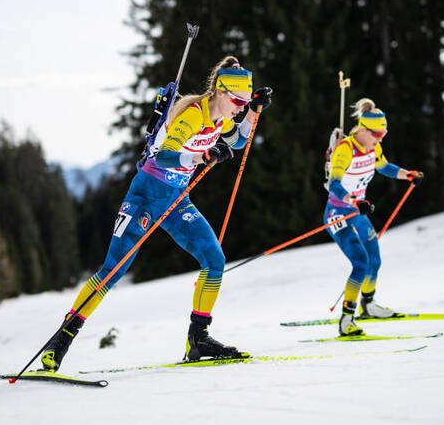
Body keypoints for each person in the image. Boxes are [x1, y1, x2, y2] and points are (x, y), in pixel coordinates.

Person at [40, 55, 273, 371]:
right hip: (146, 197)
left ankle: (198, 338)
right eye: (238, 101)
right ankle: (60, 341)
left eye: (245, 102)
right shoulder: (193, 114)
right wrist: (202, 156)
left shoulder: (221, 118)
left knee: (214, 260)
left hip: (177, 201)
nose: (240, 108)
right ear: (220, 91)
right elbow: (163, 156)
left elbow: (239, 139)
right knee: (113, 270)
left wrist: (254, 111)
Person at [324, 98, 423, 337]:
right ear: (363, 130)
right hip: (339, 213)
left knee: (374, 261)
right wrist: (353, 201)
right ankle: (346, 320)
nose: (380, 139)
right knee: (360, 262)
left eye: (383, 134)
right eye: (377, 134)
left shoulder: (373, 148)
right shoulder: (345, 150)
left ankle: (368, 305)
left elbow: (384, 166)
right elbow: (334, 185)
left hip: (358, 210)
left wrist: (407, 175)